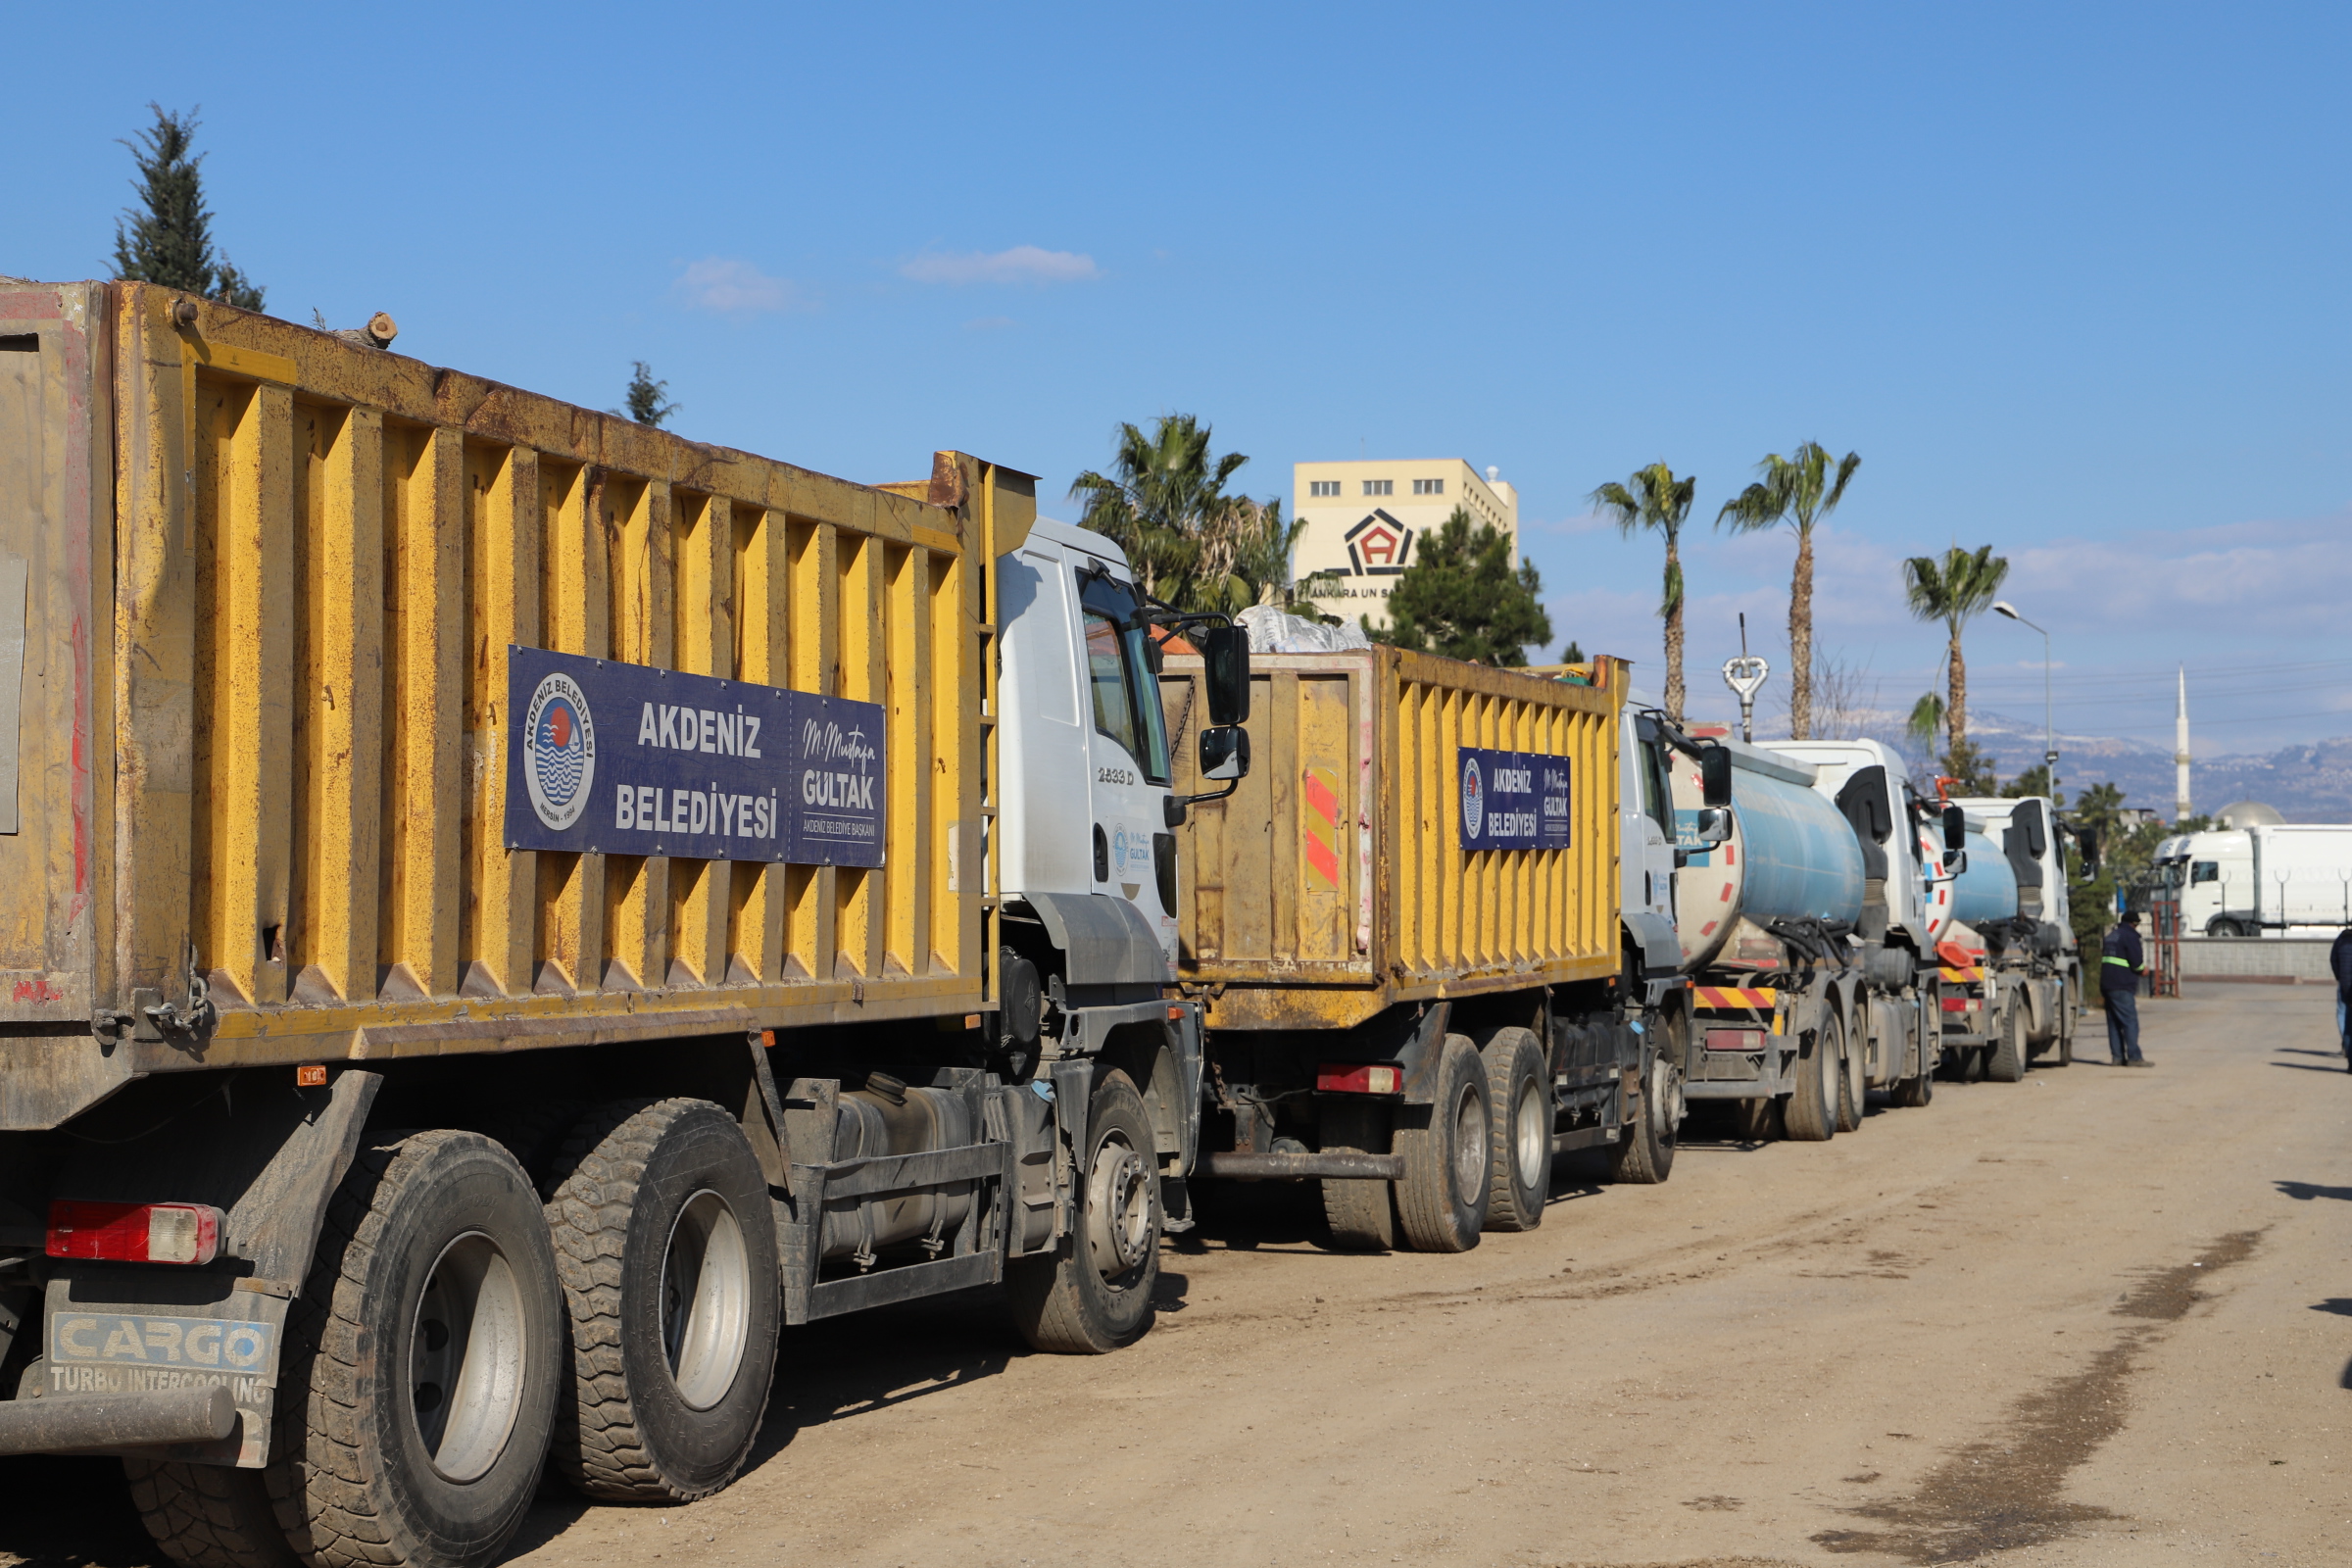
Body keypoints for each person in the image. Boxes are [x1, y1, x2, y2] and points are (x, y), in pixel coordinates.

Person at [2101, 910, 2149, 1067]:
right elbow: (2136, 962)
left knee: (2114, 1022)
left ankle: (2117, 1057)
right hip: (2122, 984)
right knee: (2129, 1022)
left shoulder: (2111, 936)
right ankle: (2134, 1058)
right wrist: (2143, 970)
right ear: (2133, 924)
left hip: (2107, 984)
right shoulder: (2130, 936)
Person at [2330, 925, 2352, 1070]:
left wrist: (2339, 977)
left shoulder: (2342, 939)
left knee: (2344, 1017)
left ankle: (2347, 1046)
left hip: (2344, 985)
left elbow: (2333, 959)